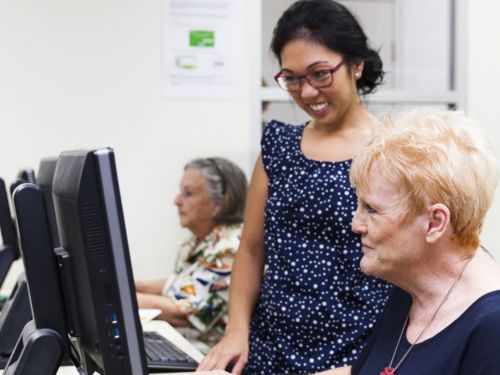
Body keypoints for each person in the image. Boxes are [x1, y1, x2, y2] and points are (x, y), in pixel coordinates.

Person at [198, 1, 392, 373]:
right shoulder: (279, 146)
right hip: (270, 348)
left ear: (356, 64)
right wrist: (236, 330)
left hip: (355, 354)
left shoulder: (392, 149)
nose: (307, 92)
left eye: (320, 74)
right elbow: (252, 249)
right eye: (292, 78)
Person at [316, 109, 500, 374]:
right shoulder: (413, 286)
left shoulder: (491, 329)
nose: (356, 224)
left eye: (372, 209)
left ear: (435, 223)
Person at [136, 157, 248, 353]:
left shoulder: (230, 247)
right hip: (188, 347)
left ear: (219, 203)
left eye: (188, 193)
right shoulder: (194, 244)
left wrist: (114, 298)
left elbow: (183, 313)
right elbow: (178, 286)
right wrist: (122, 284)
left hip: (214, 360)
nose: (177, 200)